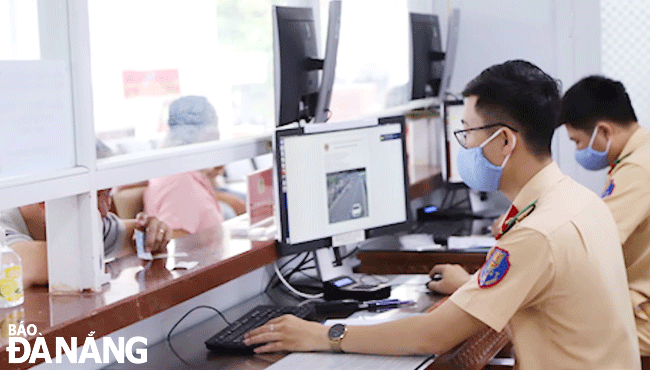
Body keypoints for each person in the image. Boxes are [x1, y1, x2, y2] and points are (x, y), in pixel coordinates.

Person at [243, 61, 640, 369]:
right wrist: (468, 286)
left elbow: (432, 337)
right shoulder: (576, 200)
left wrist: (324, 334)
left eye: (467, 132)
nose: (463, 145)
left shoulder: (537, 233)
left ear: (504, 141)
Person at [558, 75, 650, 355]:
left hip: (644, 321)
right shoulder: (637, 159)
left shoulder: (638, 169)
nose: (578, 151)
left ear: (604, 131)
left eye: (577, 141)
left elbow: (594, 242)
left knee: (547, 330)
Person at [0, 189, 171, 288]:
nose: (104, 210)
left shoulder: (81, 220)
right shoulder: (4, 222)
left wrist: (152, 231)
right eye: (95, 195)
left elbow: (137, 237)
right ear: (45, 200)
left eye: (108, 194)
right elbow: (23, 265)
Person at [144, 95, 245, 236]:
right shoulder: (178, 182)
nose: (217, 140)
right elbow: (177, 244)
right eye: (213, 134)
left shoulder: (187, 174)